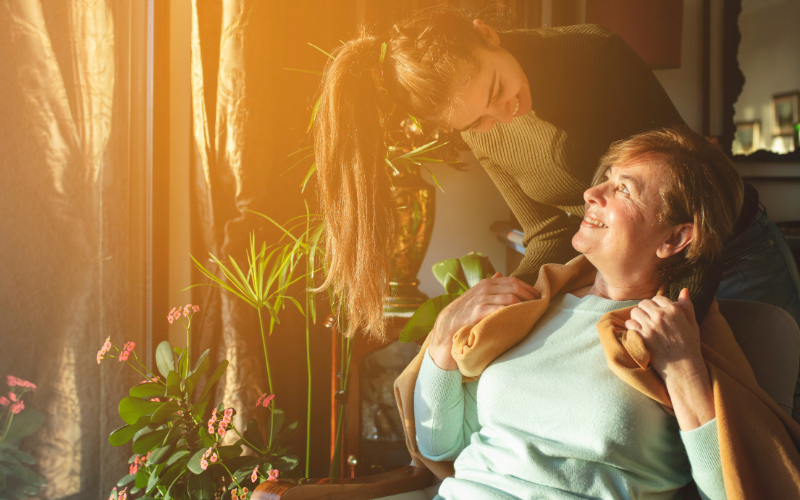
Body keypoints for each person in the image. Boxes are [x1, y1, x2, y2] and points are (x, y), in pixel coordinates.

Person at [312, 5, 800, 347]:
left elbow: (691, 202)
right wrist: (504, 312)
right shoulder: (480, 127)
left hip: (725, 248)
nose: (502, 115)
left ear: (487, 34)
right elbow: (547, 231)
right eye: (476, 121)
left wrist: (664, 326)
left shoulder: (594, 57)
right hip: (642, 274)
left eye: (498, 88)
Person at [411, 126, 735, 500]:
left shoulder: (679, 339)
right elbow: (441, 444)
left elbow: (732, 490)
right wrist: (444, 332)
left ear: (674, 239)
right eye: (606, 179)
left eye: (623, 190)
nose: (591, 193)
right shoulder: (533, 309)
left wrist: (684, 370)